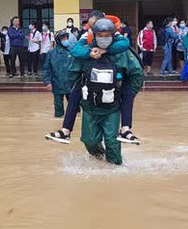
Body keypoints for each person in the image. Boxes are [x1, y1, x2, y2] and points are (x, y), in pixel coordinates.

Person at [45, 15, 141, 145]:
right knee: (74, 94)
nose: (102, 34)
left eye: (106, 34)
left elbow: (126, 45)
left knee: (127, 93)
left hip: (115, 89)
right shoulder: (86, 39)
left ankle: (125, 129)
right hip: (90, 92)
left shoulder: (118, 39)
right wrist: (89, 53)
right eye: (94, 28)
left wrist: (105, 50)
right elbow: (75, 50)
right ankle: (66, 130)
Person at [62, 18, 144, 165]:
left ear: (113, 35)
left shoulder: (121, 53)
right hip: (89, 107)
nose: (103, 38)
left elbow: (136, 74)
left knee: (112, 141)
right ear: (94, 35)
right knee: (89, 141)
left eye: (107, 35)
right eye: (100, 35)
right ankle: (100, 159)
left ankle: (115, 167)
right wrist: (78, 95)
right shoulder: (85, 52)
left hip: (111, 108)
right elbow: (72, 74)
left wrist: (127, 95)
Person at [42, 30, 73, 117]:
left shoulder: (72, 51)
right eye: (63, 38)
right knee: (58, 108)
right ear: (58, 40)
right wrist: (47, 82)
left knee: (74, 107)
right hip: (57, 83)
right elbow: (46, 68)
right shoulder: (51, 53)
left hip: (71, 83)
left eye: (66, 38)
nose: (65, 40)